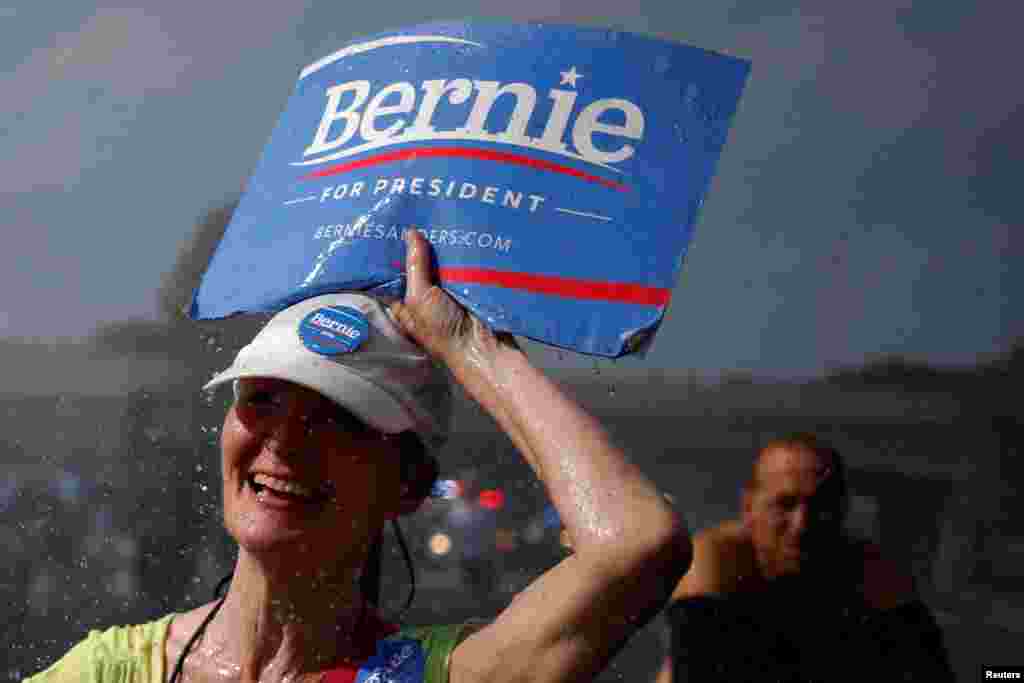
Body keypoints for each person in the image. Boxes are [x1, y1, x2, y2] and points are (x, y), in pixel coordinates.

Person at [26, 230, 691, 683]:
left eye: (336, 419)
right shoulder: (114, 668)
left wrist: (467, 343)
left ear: (410, 481)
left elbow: (638, 542)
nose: (284, 441)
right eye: (260, 400)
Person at [655, 432, 955, 683]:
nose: (802, 524)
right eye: (784, 504)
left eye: (821, 505)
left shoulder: (873, 573)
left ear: (842, 511)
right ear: (749, 507)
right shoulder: (719, 559)